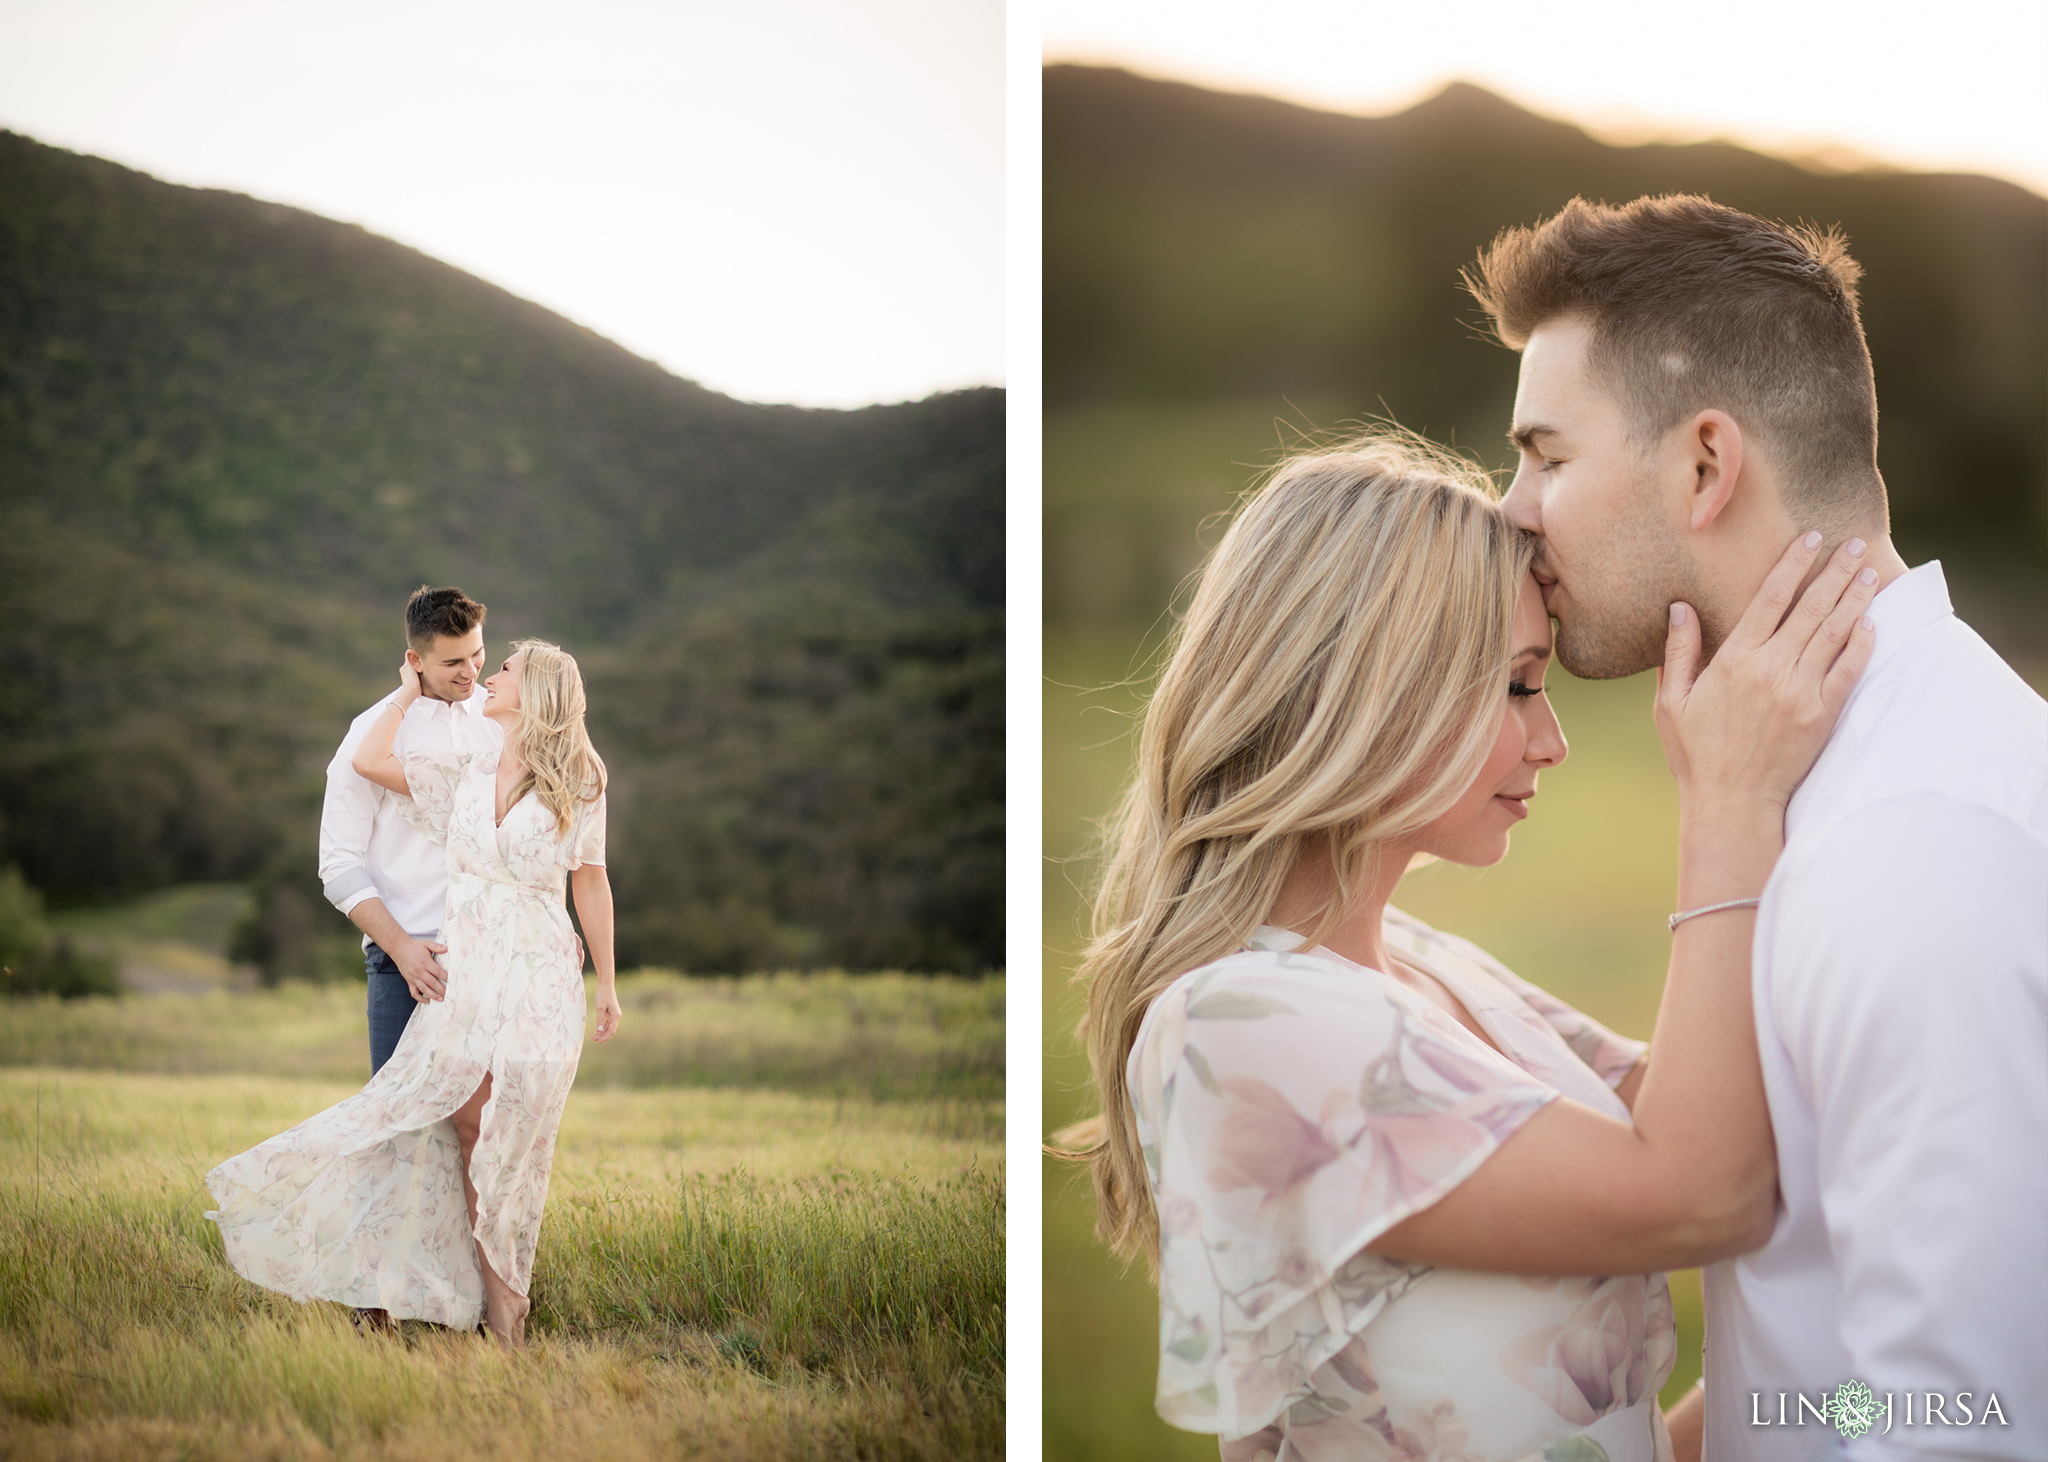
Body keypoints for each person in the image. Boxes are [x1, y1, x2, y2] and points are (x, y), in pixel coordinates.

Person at [1059, 432, 1878, 1462]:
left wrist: (1898, 1398)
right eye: (1517, 684)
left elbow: (1761, 1137)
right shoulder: (1238, 1026)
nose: (1551, 739)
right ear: (1372, 687)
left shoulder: (1431, 971)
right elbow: (1697, 1192)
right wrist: (1727, 799)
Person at [1468, 196, 2046, 1460]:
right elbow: (1839, 1353)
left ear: (1704, 466)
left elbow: (1963, 1426)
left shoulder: (1916, 841)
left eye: (1547, 458)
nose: (1512, 510)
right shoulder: (1834, 777)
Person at [207, 638, 623, 1348]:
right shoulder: (470, 767)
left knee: (514, 1137)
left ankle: (504, 1310)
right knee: (452, 1123)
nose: (489, 677)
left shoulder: (581, 777)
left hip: (539, 974)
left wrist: (608, 981)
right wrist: (405, 690)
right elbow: (369, 762)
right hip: (466, 969)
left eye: (504, 669)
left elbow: (589, 878)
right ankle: (450, 1300)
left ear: (539, 693)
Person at [319, 585, 502, 1078]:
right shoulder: (368, 733)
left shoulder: (503, 721)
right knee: (392, 1131)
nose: (470, 672)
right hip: (404, 964)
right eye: (452, 663)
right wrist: (401, 949)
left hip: (492, 954)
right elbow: (337, 866)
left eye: (478, 654)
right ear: (414, 660)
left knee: (485, 1129)